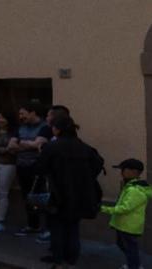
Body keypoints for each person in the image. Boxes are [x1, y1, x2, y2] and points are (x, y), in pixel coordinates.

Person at [35, 115, 103, 268]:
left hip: (57, 193)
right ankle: (71, 257)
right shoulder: (84, 147)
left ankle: (58, 258)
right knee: (73, 227)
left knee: (57, 226)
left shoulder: (52, 147)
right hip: (80, 193)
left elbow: (40, 168)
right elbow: (98, 164)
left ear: (57, 129)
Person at [101, 158, 152, 269]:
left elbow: (125, 208)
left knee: (130, 248)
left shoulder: (135, 190)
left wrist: (103, 208)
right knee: (124, 246)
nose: (121, 172)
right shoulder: (129, 186)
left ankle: (134, 265)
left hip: (129, 226)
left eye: (123, 169)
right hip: (124, 225)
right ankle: (133, 264)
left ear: (133, 172)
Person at [10, 102, 52, 237]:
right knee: (27, 197)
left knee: (42, 197)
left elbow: (38, 145)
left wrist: (22, 144)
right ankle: (33, 225)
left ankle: (47, 228)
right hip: (21, 166)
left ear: (33, 112)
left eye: (23, 113)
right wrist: (30, 144)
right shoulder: (20, 127)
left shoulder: (45, 127)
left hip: (37, 168)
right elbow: (11, 146)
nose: (21, 116)